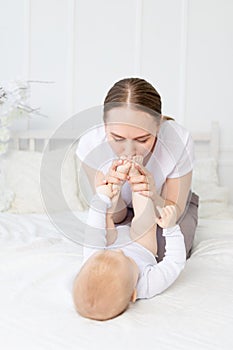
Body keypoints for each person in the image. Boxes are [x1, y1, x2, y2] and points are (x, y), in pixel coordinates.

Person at [76, 77, 199, 261]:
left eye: (142, 140)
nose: (129, 150)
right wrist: (112, 194)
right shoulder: (90, 145)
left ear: (158, 126)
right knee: (105, 249)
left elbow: (173, 211)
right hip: (121, 212)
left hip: (167, 208)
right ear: (104, 125)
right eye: (117, 138)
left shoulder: (177, 141)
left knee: (165, 251)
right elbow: (117, 217)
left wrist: (152, 195)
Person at [73, 157, 186, 321]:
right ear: (133, 294)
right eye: (125, 257)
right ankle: (137, 178)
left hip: (109, 241)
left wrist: (101, 200)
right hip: (142, 246)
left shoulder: (92, 261)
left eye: (113, 254)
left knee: (102, 229)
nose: (120, 250)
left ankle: (113, 188)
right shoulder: (146, 285)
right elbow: (174, 263)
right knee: (144, 222)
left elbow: (94, 230)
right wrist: (171, 228)